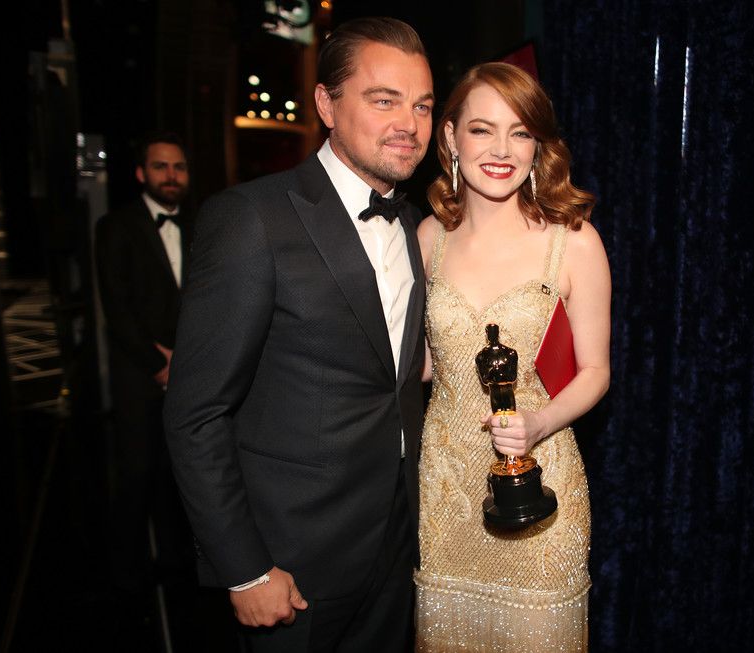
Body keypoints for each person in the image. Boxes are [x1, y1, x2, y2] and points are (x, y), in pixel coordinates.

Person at [163, 17, 433, 653]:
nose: (409, 123)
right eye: (384, 100)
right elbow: (196, 413)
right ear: (326, 105)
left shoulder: (417, 224)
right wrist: (245, 568)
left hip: (397, 547)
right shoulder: (251, 218)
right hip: (292, 560)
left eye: (422, 105)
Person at [414, 62, 611, 651]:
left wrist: (540, 423)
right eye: (482, 129)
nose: (501, 150)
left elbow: (595, 371)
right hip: (446, 492)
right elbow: (421, 365)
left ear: (538, 146)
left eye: (520, 132)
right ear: (451, 137)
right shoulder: (427, 239)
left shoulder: (573, 242)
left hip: (543, 488)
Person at [94, 130, 194, 599]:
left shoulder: (201, 224)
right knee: (135, 475)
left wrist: (189, 360)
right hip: (139, 373)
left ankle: (177, 564)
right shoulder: (115, 227)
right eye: (160, 166)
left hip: (191, 372)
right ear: (141, 174)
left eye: (178, 167)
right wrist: (158, 362)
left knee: (181, 474)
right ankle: (127, 576)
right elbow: (116, 308)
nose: (171, 176)